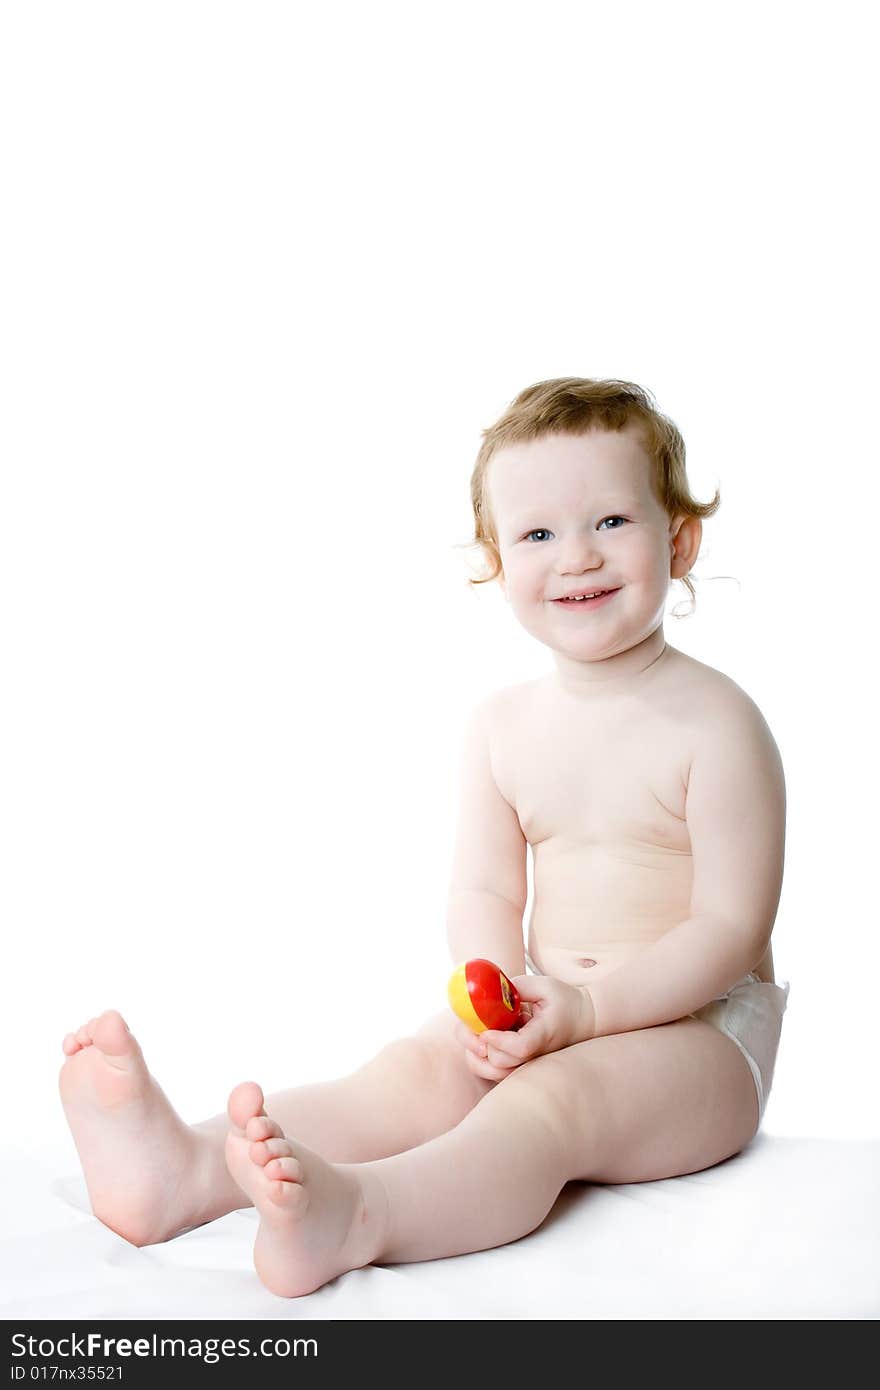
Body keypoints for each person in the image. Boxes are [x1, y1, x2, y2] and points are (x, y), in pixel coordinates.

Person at [58, 376, 791, 1299]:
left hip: (699, 1042)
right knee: (414, 1071)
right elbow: (484, 896)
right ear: (495, 557)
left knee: (551, 1104)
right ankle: (183, 1171)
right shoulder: (500, 727)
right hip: (553, 1012)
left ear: (678, 539)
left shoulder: (718, 724)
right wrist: (495, 1008)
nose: (576, 558)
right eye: (537, 534)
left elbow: (729, 926)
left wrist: (592, 1016)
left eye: (611, 521)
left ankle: (362, 1214)